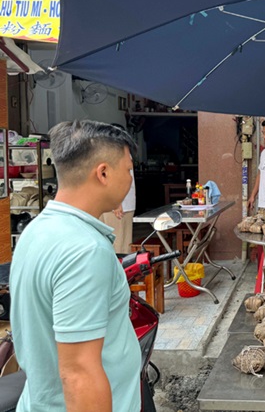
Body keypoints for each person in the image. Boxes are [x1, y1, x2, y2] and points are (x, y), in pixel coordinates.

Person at [10, 120, 141, 411]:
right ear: (104, 173)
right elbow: (79, 374)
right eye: (129, 169)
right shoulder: (85, 251)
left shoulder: (37, 230)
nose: (131, 178)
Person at [100, 123, 136, 254]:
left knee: (118, 244)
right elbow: (112, 178)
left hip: (117, 205)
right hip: (114, 205)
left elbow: (118, 179)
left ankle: (119, 273)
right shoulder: (114, 153)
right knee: (116, 244)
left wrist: (116, 203)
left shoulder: (119, 153)